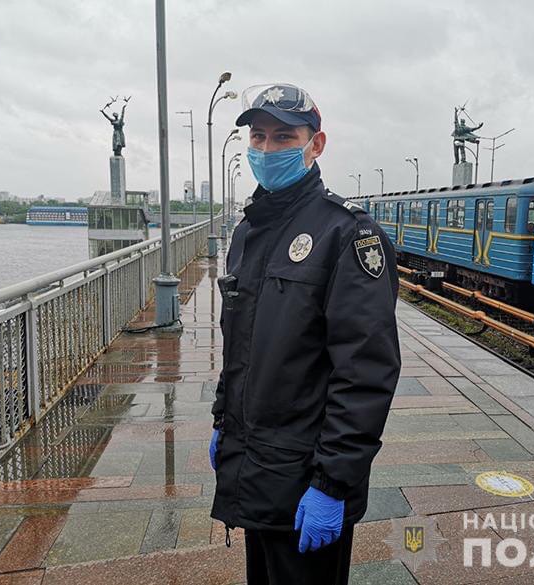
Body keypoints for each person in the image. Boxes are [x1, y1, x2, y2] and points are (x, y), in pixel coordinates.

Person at [208, 83, 401, 584]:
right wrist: (221, 419)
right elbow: (241, 345)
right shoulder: (248, 231)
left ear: (316, 145)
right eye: (258, 137)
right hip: (253, 463)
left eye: (284, 137)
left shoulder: (348, 235)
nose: (267, 150)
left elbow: (366, 371)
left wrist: (333, 484)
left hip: (307, 476)